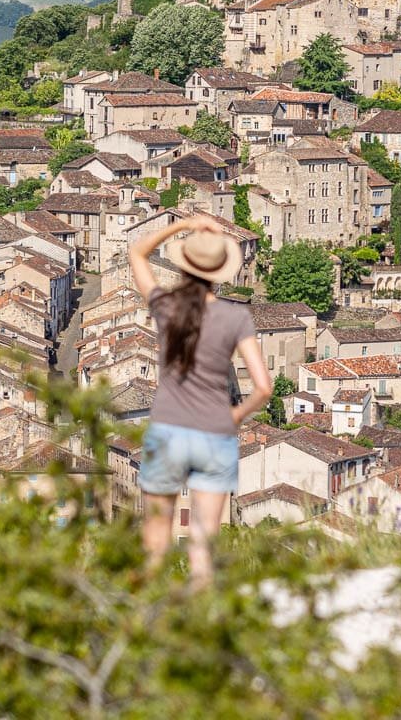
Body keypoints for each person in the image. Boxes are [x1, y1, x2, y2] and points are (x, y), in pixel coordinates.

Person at [129, 213, 272, 587]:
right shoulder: (235, 316)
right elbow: (263, 387)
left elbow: (137, 254)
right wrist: (234, 417)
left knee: (156, 542)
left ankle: (148, 624)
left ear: (182, 265)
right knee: (203, 546)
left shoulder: (166, 307)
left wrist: (184, 225)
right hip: (215, 433)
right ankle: (200, 628)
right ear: (219, 272)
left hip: (167, 431)